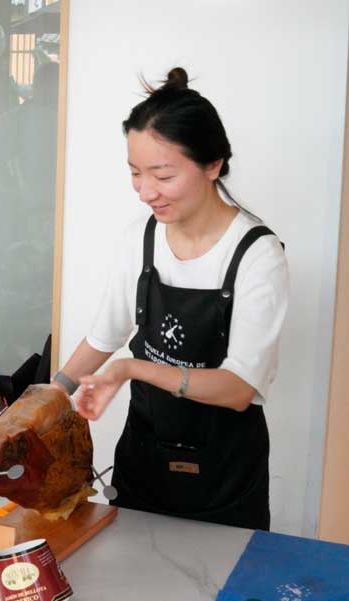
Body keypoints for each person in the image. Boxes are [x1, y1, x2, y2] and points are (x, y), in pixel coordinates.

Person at [50, 68, 288, 531]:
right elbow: (104, 337)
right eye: (136, 174)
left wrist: (131, 368)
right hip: (144, 456)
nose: (145, 191)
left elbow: (239, 388)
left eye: (162, 174)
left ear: (213, 164)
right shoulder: (141, 237)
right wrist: (49, 397)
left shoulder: (258, 254)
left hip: (223, 474)